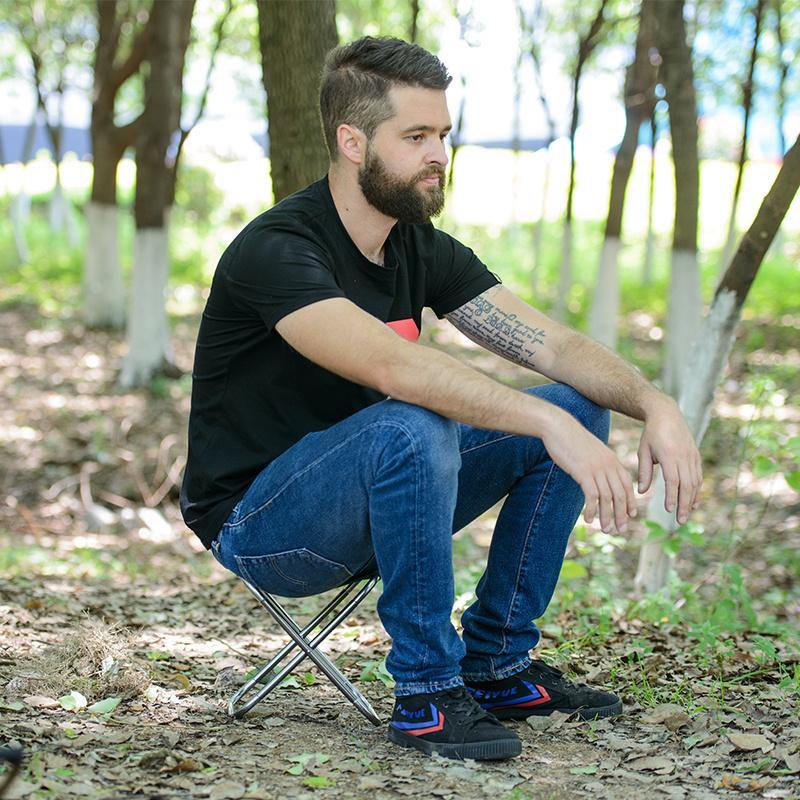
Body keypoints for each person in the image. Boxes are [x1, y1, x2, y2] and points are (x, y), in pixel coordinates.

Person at [180, 36, 702, 762]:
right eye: (416, 136)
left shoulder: (419, 246)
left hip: (385, 499)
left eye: (443, 135)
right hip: (264, 526)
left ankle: (497, 664)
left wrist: (655, 403)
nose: (438, 154)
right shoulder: (278, 249)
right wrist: (542, 422)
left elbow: (554, 347)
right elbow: (395, 368)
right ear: (353, 142)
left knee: (577, 403)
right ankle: (426, 693)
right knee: (414, 421)